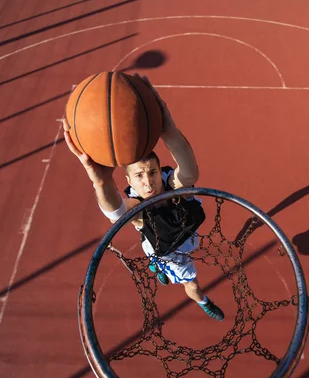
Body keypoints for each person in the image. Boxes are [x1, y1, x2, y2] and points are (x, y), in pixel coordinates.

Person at [63, 73, 224, 321]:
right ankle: (203, 301)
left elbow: (190, 172)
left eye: (152, 172)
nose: (147, 181)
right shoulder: (137, 206)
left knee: (183, 231)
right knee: (191, 284)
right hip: (168, 251)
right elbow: (116, 213)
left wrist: (169, 130)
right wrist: (101, 180)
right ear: (128, 181)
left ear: (161, 171)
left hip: (184, 235)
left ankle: (156, 265)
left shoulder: (171, 184)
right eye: (139, 176)